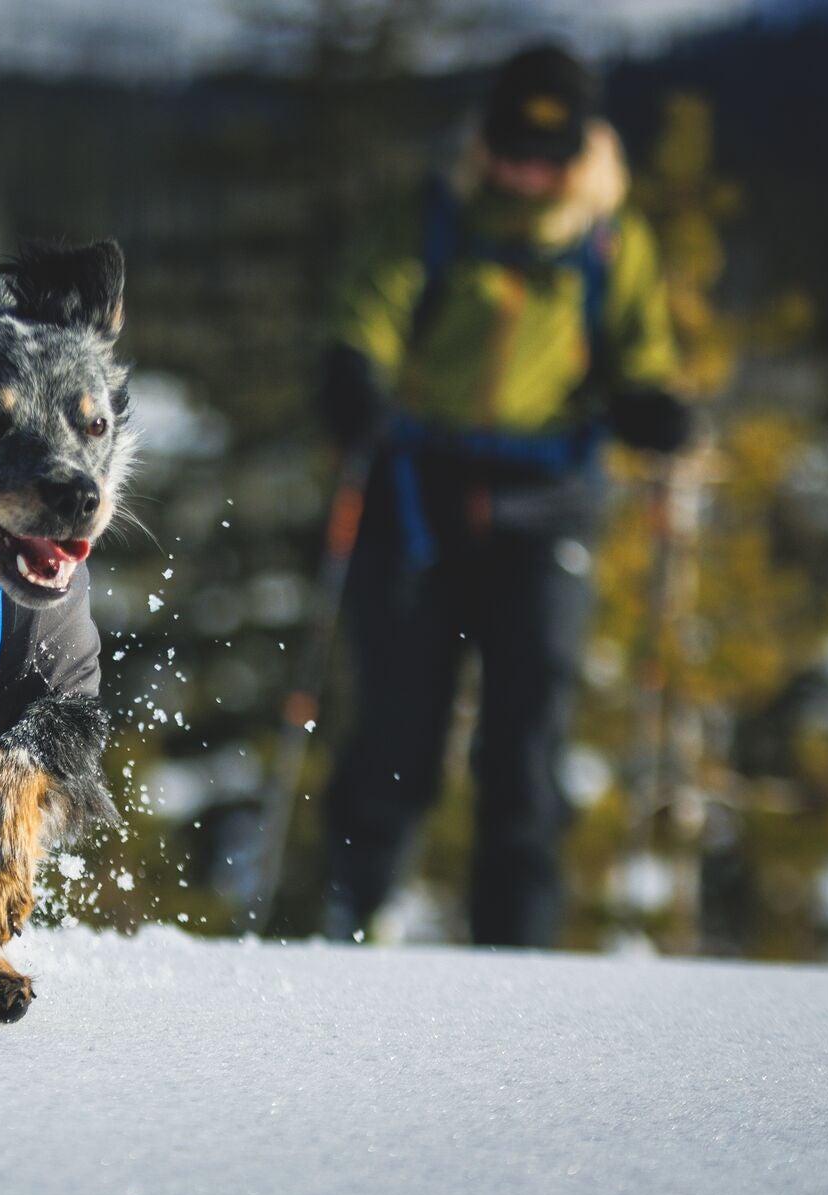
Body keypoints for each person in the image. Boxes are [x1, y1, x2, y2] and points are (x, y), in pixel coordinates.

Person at [316, 44, 691, 947]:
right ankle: (360, 915)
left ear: (582, 152)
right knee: (399, 729)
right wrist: (353, 370)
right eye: (514, 146)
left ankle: (517, 953)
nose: (528, 170)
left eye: (549, 154)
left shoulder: (611, 237)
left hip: (549, 498)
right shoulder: (434, 213)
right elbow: (370, 302)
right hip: (420, 492)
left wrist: (650, 400)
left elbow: (643, 349)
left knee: (528, 743)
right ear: (487, 138)